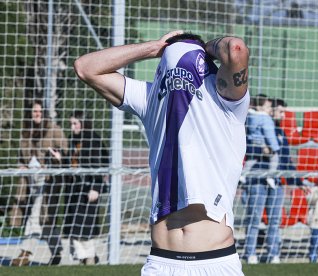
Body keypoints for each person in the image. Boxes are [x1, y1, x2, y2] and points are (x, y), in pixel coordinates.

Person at [74, 31, 250, 275]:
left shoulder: (226, 99)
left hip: (215, 262)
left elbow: (236, 49)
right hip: (161, 262)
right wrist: (155, 47)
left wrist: (199, 46)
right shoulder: (151, 98)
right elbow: (85, 67)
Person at [11, 100, 67, 266]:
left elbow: (65, 149)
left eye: (39, 111)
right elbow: (21, 156)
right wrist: (21, 165)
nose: (37, 114)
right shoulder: (26, 131)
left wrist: (58, 157)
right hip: (30, 180)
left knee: (36, 215)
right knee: (46, 219)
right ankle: (56, 251)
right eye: (34, 112)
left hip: (47, 180)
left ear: (44, 113)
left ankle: (25, 253)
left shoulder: (53, 129)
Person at [63, 110, 109, 265]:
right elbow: (71, 162)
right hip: (74, 189)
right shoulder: (72, 140)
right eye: (71, 123)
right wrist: (60, 158)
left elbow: (101, 165)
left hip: (89, 188)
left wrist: (96, 187)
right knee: (73, 225)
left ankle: (89, 257)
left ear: (83, 123)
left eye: (75, 123)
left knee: (85, 225)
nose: (72, 127)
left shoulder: (93, 140)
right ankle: (84, 257)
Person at [243, 94, 282, 264]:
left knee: (274, 220)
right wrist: (263, 149)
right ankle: (251, 253)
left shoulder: (278, 129)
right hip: (258, 178)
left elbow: (285, 157)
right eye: (279, 110)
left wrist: (298, 181)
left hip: (277, 180)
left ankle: (274, 254)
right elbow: (248, 145)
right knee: (254, 218)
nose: (282, 114)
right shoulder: (256, 123)